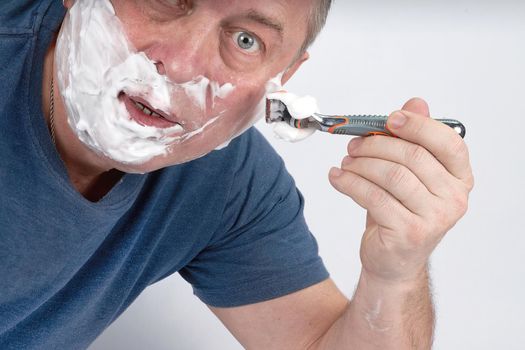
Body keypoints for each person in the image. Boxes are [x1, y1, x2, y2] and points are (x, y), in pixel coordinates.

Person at [0, 0, 474, 349]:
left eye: (246, 41)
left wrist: (396, 276)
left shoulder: (228, 180)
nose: (182, 65)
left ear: (281, 79)